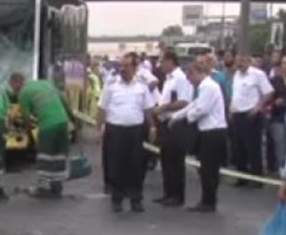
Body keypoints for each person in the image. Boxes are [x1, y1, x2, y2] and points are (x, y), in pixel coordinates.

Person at [97, 53, 157, 213]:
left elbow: (148, 108)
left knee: (136, 166)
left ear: (135, 67)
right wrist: (100, 127)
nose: (122, 69)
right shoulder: (111, 85)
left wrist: (152, 126)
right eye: (121, 66)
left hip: (135, 131)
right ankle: (117, 199)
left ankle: (135, 199)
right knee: (116, 166)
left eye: (126, 66)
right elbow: (102, 108)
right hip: (115, 130)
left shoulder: (142, 86)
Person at [169, 61, 228, 212]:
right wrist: (177, 115)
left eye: (190, 76)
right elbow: (193, 104)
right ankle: (207, 199)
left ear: (196, 72)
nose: (189, 80)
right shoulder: (203, 87)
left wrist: (185, 119)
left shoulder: (208, 86)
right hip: (207, 131)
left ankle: (209, 201)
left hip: (212, 131)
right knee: (206, 169)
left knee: (209, 169)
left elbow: (201, 109)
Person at [11, 76, 71, 198]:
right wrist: (71, 118)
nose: (13, 90)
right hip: (63, 122)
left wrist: (28, 133)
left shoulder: (23, 93)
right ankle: (57, 187)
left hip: (48, 126)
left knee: (45, 156)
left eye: (13, 86)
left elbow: (26, 117)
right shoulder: (45, 84)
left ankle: (44, 188)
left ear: (17, 83)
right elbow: (64, 100)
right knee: (59, 155)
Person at [153, 51, 193, 206]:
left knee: (175, 160)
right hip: (164, 123)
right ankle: (168, 192)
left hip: (175, 123)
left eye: (162, 61)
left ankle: (177, 195)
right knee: (166, 159)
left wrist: (164, 108)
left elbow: (184, 101)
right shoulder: (168, 79)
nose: (160, 65)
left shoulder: (180, 78)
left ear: (170, 61)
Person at [230, 52, 274, 185]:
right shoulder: (236, 75)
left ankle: (257, 178)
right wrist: (231, 108)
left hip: (251, 114)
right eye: (238, 60)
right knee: (238, 147)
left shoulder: (257, 74)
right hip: (237, 114)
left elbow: (269, 92)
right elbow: (236, 94)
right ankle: (241, 177)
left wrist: (258, 107)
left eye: (242, 60)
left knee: (253, 147)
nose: (239, 63)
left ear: (249, 61)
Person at [268, 54, 286, 176]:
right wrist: (275, 103)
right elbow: (267, 100)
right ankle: (283, 174)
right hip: (278, 119)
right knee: (281, 147)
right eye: (285, 63)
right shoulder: (274, 81)